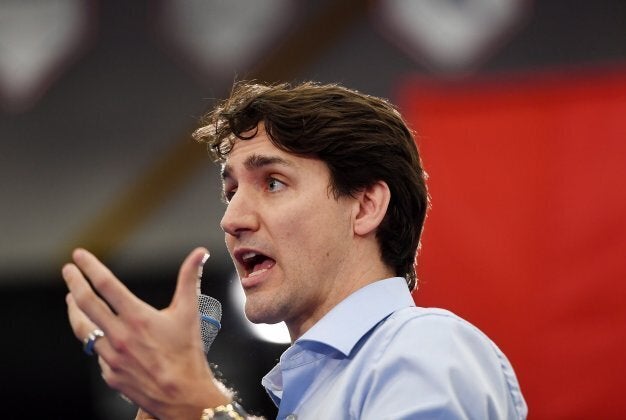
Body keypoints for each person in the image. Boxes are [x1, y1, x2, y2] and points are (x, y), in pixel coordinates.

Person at [62, 81, 528, 419]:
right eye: (231, 192)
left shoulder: (423, 348)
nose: (232, 219)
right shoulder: (304, 396)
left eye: (274, 182)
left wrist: (199, 409)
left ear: (365, 206)